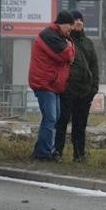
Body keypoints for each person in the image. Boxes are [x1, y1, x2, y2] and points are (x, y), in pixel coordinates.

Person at [29, 10, 76, 161]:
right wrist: (69, 48)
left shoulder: (60, 36)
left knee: (52, 119)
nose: (71, 30)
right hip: (44, 83)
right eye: (70, 26)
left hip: (53, 84)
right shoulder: (49, 35)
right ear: (62, 24)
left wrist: (69, 47)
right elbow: (67, 55)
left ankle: (41, 149)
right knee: (50, 118)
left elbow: (71, 52)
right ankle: (44, 152)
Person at [54, 9, 100, 163]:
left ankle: (79, 154)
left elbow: (94, 66)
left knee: (80, 125)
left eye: (81, 20)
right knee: (62, 121)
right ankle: (57, 152)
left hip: (85, 91)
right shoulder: (63, 41)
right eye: (76, 20)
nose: (79, 22)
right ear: (69, 24)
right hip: (67, 90)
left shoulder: (88, 43)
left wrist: (94, 88)